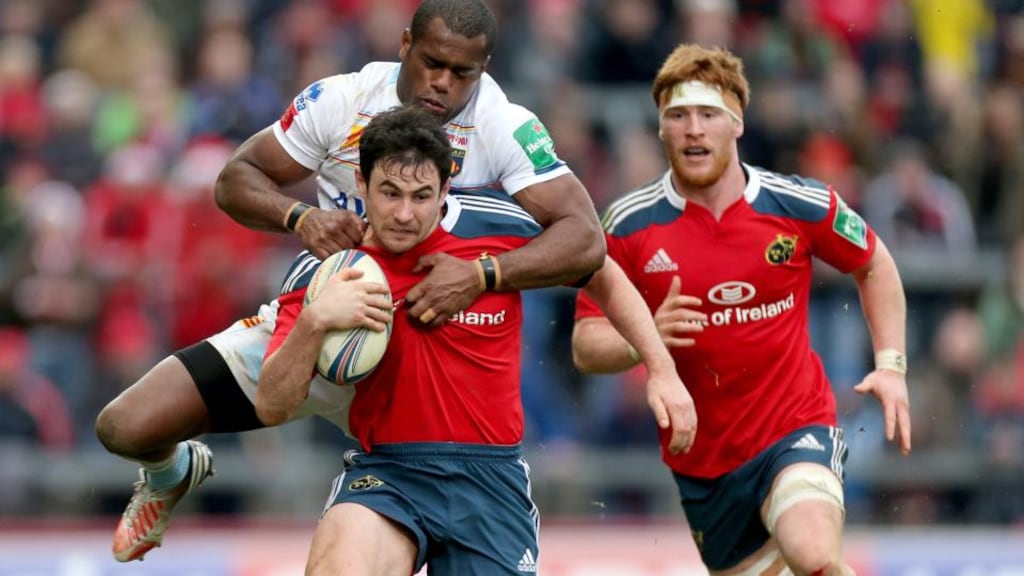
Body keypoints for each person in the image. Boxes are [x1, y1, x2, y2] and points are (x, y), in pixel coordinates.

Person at [92, 0, 694, 562]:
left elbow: (587, 242)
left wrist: (484, 275)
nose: (444, 84)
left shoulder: (503, 128)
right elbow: (235, 179)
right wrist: (300, 217)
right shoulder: (342, 100)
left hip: (423, 350)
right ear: (405, 45)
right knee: (126, 426)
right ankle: (173, 472)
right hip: (328, 317)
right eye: (433, 63)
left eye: (463, 73)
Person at [258, 104, 685, 575]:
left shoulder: (498, 228)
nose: (403, 213)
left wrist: (661, 369)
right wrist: (314, 322)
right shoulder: (325, 269)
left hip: (490, 481)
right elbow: (272, 405)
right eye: (389, 193)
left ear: (446, 188)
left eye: (421, 196)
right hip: (388, 474)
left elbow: (599, 266)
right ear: (360, 184)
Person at [571, 44, 912, 576]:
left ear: (737, 125)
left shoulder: (797, 204)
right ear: (661, 130)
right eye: (677, 116)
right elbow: (586, 346)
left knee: (814, 555)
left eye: (709, 115)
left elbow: (875, 265)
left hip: (795, 424)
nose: (693, 129)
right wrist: (647, 336)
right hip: (704, 463)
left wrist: (891, 366)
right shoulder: (625, 225)